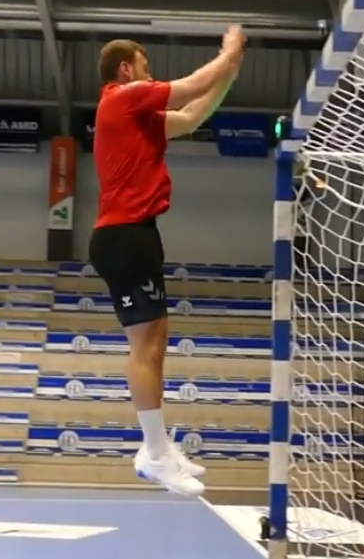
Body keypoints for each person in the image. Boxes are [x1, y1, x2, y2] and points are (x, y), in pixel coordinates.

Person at [88, 26, 246, 496]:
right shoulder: (123, 97)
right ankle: (154, 453)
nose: (149, 75)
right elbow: (193, 85)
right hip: (122, 235)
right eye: (145, 66)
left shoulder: (141, 120)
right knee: (143, 347)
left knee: (156, 341)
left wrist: (230, 72)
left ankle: (156, 448)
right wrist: (229, 52)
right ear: (125, 69)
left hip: (138, 234)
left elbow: (196, 112)